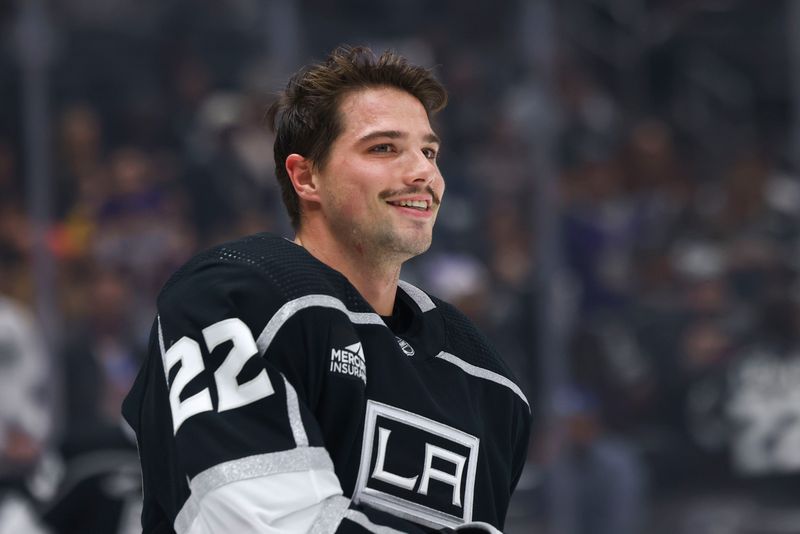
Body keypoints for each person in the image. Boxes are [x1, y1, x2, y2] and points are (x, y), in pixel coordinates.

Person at [122, 45, 531, 534]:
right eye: (384, 148)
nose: (423, 172)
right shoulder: (235, 295)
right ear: (305, 175)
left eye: (429, 151)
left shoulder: (488, 381)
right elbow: (260, 522)